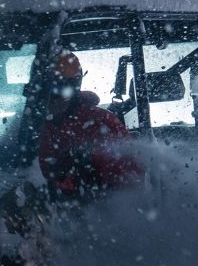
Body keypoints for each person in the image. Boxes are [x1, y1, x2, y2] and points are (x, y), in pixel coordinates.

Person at [37, 49, 145, 198]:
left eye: (57, 91)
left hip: (94, 213)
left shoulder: (100, 123)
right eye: (43, 92)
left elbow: (130, 181)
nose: (50, 99)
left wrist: (85, 173)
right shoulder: (32, 127)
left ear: (74, 87)